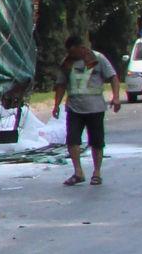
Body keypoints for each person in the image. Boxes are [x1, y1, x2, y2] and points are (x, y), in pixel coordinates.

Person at [52, 33, 122, 186]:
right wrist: (56, 105)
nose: (72, 54)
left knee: (96, 141)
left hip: (95, 108)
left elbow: (113, 78)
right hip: (74, 108)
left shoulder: (98, 59)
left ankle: (97, 172)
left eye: (74, 51)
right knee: (72, 139)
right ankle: (78, 172)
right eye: (69, 52)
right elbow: (61, 84)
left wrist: (116, 97)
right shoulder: (67, 63)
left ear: (81, 47)